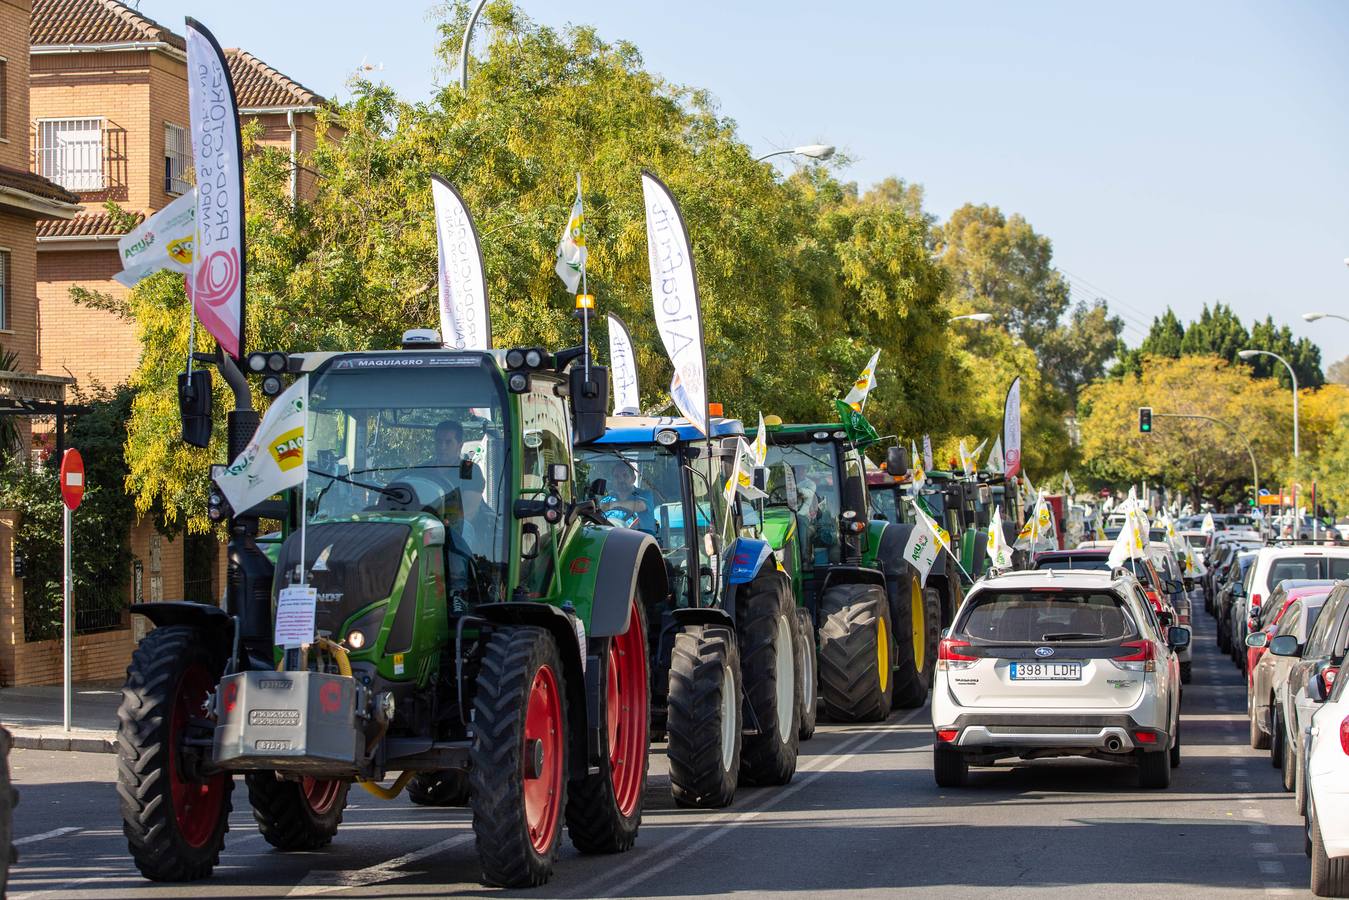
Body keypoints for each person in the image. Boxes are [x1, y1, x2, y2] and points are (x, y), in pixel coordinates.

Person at [597, 459, 656, 533]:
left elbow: (639, 506)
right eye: (616, 477)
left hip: (641, 540)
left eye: (625, 475)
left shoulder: (645, 495)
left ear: (633, 478)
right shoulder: (606, 500)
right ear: (613, 480)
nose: (621, 480)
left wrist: (612, 505)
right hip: (609, 539)